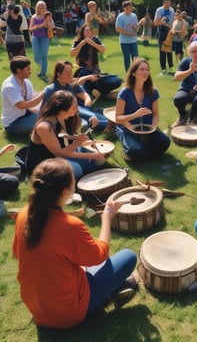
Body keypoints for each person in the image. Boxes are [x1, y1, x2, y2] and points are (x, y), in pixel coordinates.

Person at [13, 157, 138, 329]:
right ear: (65, 192)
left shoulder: (23, 214)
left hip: (38, 309)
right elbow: (100, 255)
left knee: (85, 266)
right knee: (129, 257)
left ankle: (113, 288)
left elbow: (22, 254)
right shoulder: (69, 225)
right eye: (74, 182)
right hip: (68, 314)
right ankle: (108, 295)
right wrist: (107, 217)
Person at [26, 90, 105, 179]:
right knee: (77, 169)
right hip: (44, 164)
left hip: (63, 153)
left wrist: (90, 119)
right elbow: (60, 153)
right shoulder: (44, 126)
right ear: (62, 110)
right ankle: (84, 167)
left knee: (99, 156)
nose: (77, 109)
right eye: (74, 107)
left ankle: (87, 166)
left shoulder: (64, 117)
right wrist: (89, 153)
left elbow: (63, 137)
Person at [115, 58, 170, 161]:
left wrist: (153, 127)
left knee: (165, 142)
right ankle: (135, 149)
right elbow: (118, 118)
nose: (145, 72)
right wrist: (135, 115)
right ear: (133, 73)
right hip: (127, 128)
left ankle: (141, 147)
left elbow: (155, 114)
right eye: (142, 69)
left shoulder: (153, 91)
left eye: (147, 69)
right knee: (138, 152)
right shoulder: (124, 92)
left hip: (147, 128)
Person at [42, 60, 108, 131]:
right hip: (67, 115)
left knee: (100, 114)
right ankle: (111, 125)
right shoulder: (51, 90)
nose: (70, 75)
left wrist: (87, 108)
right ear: (59, 74)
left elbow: (85, 96)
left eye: (71, 72)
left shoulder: (72, 84)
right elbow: (45, 111)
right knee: (93, 119)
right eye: (67, 73)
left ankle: (110, 123)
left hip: (80, 110)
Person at [70, 24, 122, 98]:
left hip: (96, 72)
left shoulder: (95, 40)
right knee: (85, 83)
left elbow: (103, 50)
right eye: (86, 30)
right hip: (83, 72)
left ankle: (97, 93)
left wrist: (92, 43)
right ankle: (102, 94)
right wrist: (81, 44)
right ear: (82, 32)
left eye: (90, 30)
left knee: (116, 80)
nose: (88, 32)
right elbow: (72, 54)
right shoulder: (78, 41)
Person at [1, 56, 44, 136]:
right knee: (45, 121)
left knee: (49, 112)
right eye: (27, 69)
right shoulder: (10, 86)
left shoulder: (26, 81)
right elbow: (21, 105)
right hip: (13, 124)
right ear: (18, 71)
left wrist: (48, 94)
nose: (30, 71)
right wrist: (43, 94)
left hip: (26, 114)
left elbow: (33, 97)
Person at [29, 0, 54, 80]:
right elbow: (30, 29)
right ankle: (42, 65)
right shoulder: (33, 17)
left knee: (44, 55)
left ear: (45, 7)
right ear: (37, 7)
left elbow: (52, 26)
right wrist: (37, 27)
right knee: (36, 56)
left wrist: (48, 23)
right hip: (35, 37)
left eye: (43, 6)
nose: (41, 8)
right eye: (39, 6)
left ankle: (43, 73)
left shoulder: (48, 16)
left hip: (45, 38)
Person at [154, 0, 175, 75]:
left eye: (168, 2)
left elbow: (173, 21)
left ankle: (170, 67)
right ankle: (163, 69)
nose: (167, 4)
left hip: (169, 32)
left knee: (169, 50)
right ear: (163, 2)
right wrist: (163, 23)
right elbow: (155, 23)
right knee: (162, 50)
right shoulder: (159, 10)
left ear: (170, 2)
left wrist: (172, 28)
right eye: (165, 2)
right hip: (162, 31)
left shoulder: (172, 10)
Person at [115, 0, 139, 72]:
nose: (131, 8)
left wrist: (135, 29)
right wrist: (128, 33)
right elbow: (118, 28)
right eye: (129, 7)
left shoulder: (134, 16)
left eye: (131, 6)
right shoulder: (120, 17)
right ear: (125, 8)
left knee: (135, 57)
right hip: (124, 41)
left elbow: (136, 26)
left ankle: (135, 71)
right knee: (127, 58)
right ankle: (128, 72)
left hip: (133, 40)